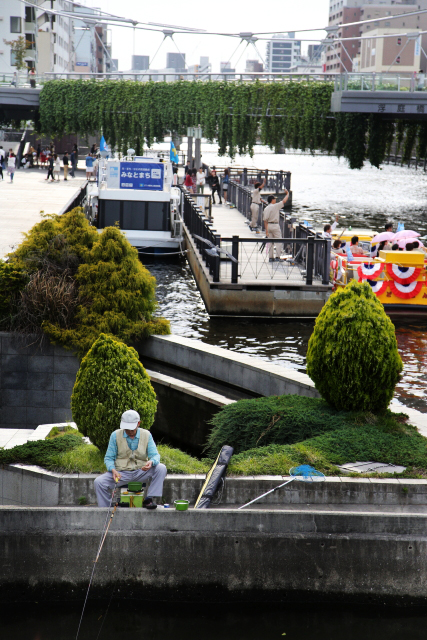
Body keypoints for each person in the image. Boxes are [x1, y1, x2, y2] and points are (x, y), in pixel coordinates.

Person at [94, 410, 167, 509]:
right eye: (127, 429)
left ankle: (149, 499)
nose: (129, 432)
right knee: (99, 482)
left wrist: (151, 462)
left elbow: (155, 455)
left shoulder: (146, 435)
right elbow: (108, 458)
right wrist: (113, 470)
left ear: (138, 423)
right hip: (121, 474)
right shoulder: (115, 435)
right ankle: (105, 509)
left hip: (141, 471)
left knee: (161, 468)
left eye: (132, 429)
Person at [263, 191, 290, 262]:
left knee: (270, 242)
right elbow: (284, 201)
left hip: (269, 225)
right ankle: (278, 257)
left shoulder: (266, 208)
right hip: (275, 225)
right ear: (272, 200)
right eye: (274, 199)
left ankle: (271, 257)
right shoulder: (275, 206)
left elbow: (265, 220)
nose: (275, 200)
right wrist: (287, 194)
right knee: (278, 241)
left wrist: (266, 231)